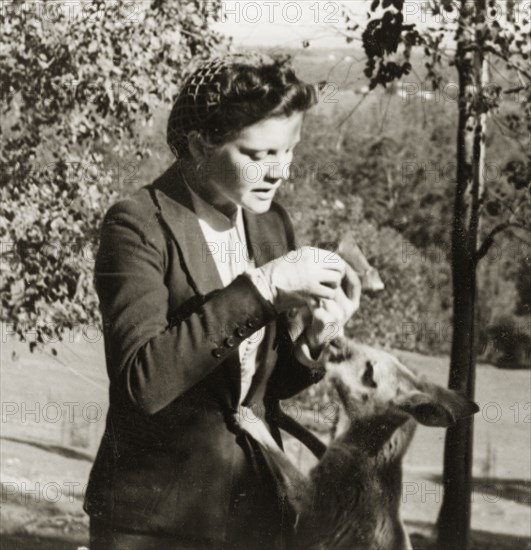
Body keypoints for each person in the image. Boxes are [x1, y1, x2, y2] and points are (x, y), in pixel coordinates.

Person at [84, 52, 361, 550]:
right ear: (198, 145)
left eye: (289, 150)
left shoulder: (270, 223)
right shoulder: (136, 225)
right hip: (153, 522)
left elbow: (255, 392)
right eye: (256, 155)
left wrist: (315, 341)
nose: (279, 172)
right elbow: (142, 383)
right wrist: (263, 289)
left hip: (255, 509)